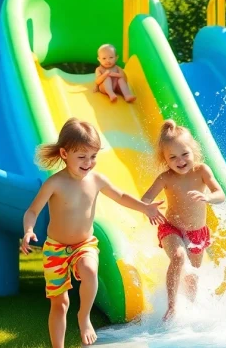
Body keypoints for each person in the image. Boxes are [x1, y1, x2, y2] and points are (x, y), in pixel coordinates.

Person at [21, 118, 165, 347]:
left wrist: (145, 207)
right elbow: (32, 211)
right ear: (64, 153)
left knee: (89, 269)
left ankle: (84, 316)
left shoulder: (97, 180)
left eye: (93, 156)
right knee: (60, 304)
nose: (89, 163)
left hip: (84, 244)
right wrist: (28, 230)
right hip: (55, 248)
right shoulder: (54, 183)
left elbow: (120, 196)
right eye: (82, 157)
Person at [141, 119, 225, 321]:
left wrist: (208, 198)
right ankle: (171, 307)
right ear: (165, 160)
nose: (180, 161)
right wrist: (148, 208)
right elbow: (145, 198)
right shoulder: (165, 178)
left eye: (185, 154)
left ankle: (191, 308)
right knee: (178, 257)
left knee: (193, 275)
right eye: (173, 157)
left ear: (193, 151)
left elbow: (220, 194)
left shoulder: (202, 171)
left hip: (198, 232)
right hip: (171, 228)